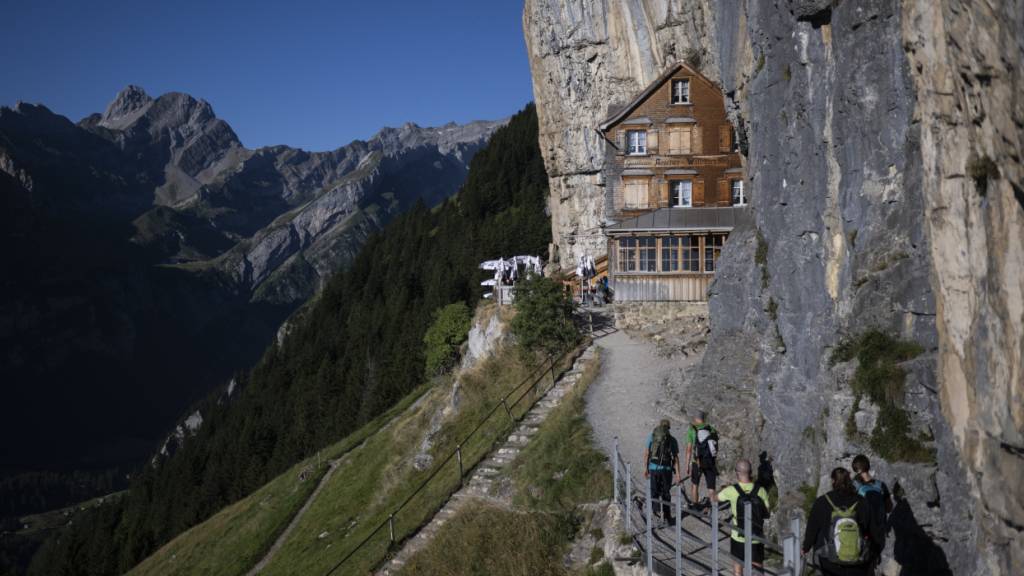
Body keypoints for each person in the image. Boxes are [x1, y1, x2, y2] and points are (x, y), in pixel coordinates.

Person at [802, 468, 881, 576]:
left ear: (833, 481)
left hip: (830, 560)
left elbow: (812, 530)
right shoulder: (862, 502)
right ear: (849, 480)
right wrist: (876, 552)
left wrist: (805, 548)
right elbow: (873, 530)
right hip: (857, 561)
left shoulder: (822, 502)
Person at [717, 459, 770, 576]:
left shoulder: (731, 490)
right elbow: (767, 512)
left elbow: (715, 498)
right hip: (756, 536)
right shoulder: (761, 490)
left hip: (738, 536)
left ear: (737, 473)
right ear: (750, 472)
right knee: (757, 569)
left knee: (738, 569)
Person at [851, 454, 893, 568]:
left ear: (856, 469)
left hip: (862, 530)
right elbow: (889, 508)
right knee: (873, 561)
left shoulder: (854, 486)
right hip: (879, 531)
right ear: (868, 466)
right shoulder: (881, 485)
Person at [643, 419, 682, 525]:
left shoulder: (652, 437)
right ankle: (667, 517)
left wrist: (645, 469)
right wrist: (678, 475)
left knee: (654, 491)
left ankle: (656, 514)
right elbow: (676, 458)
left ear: (659, 426)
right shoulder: (672, 440)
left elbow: (646, 453)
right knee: (666, 493)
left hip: (654, 468)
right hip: (667, 470)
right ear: (668, 428)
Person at [685, 410, 718, 508]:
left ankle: (695, 506)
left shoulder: (692, 430)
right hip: (710, 461)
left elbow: (689, 449)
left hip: (697, 462)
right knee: (711, 486)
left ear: (695, 418)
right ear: (703, 418)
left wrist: (687, 465)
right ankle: (713, 508)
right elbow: (715, 447)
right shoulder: (711, 429)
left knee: (695, 484)